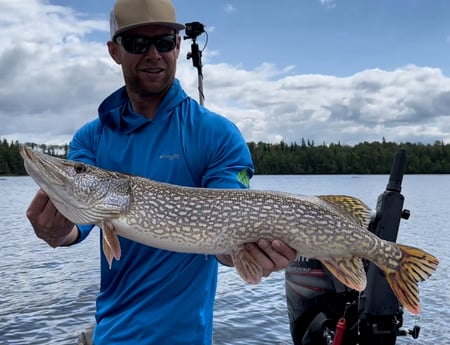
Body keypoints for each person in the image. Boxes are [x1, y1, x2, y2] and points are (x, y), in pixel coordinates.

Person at [25, 0, 297, 344]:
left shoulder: (216, 135)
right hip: (110, 334)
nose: (153, 54)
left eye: (164, 42)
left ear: (178, 46)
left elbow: (228, 242)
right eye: (138, 44)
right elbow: (75, 226)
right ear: (114, 51)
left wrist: (257, 253)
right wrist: (54, 232)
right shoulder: (91, 138)